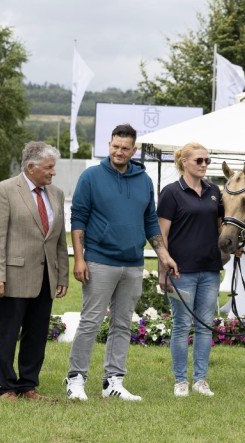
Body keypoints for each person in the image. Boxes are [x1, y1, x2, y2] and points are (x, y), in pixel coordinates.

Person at [65, 124, 177, 402]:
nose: (119, 152)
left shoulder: (144, 180)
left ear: (133, 150)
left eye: (125, 148)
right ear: (109, 145)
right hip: (99, 261)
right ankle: (75, 380)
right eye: (115, 146)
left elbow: (150, 220)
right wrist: (79, 258)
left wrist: (163, 255)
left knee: (122, 324)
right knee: (90, 322)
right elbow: (78, 218)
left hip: (133, 263)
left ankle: (113, 382)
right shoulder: (91, 177)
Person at [0, 141, 69, 401]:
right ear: (31, 168)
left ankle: (28, 386)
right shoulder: (5, 190)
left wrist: (62, 274)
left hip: (46, 277)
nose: (53, 172)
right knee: (9, 333)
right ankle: (6, 387)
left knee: (37, 334)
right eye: (49, 167)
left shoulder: (56, 193)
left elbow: (59, 239)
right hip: (14, 276)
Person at [157, 142, 223, 397]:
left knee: (206, 326)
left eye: (207, 160)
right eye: (199, 160)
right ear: (183, 162)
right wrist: (163, 270)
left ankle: (200, 380)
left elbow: (220, 229)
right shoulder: (171, 193)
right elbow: (162, 233)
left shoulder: (214, 191)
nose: (204, 164)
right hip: (180, 271)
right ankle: (181, 380)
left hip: (210, 270)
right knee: (182, 325)